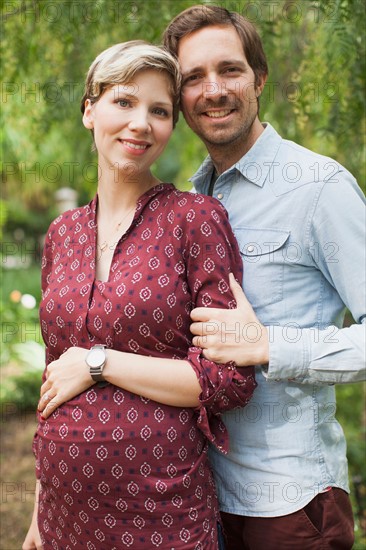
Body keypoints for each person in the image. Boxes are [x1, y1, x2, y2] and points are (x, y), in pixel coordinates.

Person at [22, 40, 257, 550]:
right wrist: (39, 509)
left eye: (159, 111)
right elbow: (55, 377)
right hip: (63, 517)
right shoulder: (62, 234)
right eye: (124, 102)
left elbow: (227, 381)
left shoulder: (194, 220)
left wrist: (98, 361)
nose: (141, 124)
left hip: (162, 516)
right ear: (90, 110)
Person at [163, 5, 365, 549]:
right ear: (180, 99)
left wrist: (268, 345)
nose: (214, 90)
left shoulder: (318, 187)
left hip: (291, 506)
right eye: (193, 78)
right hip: (200, 500)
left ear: (259, 78)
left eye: (229, 70)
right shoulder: (188, 201)